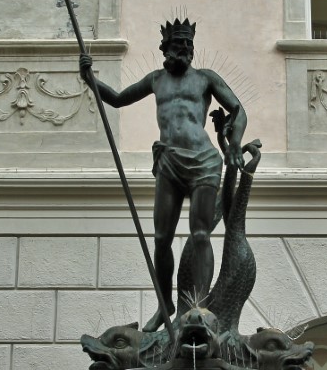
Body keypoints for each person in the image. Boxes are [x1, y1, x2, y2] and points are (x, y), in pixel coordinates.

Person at [79, 18, 246, 331]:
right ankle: (165, 303)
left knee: (200, 234)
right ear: (165, 48)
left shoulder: (206, 79)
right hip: (168, 160)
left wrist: (234, 142)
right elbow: (117, 99)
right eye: (178, 44)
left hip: (204, 160)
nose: (184, 49)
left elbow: (238, 109)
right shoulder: (156, 80)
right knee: (161, 238)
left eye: (188, 44)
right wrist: (90, 80)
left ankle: (198, 304)